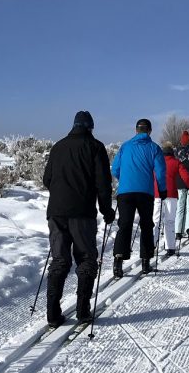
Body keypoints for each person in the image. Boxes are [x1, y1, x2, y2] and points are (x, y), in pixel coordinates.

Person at [42, 111, 115, 327]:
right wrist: (106, 209)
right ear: (90, 127)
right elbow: (103, 182)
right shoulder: (95, 147)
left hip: (56, 212)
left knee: (60, 260)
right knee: (86, 258)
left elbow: (47, 179)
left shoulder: (58, 147)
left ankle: (53, 314)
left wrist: (60, 192)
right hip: (82, 213)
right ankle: (83, 310)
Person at [111, 118, 166, 276]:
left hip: (125, 192)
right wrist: (162, 190)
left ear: (136, 130)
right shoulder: (154, 148)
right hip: (145, 193)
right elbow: (161, 173)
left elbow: (115, 169)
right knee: (146, 225)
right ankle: (145, 262)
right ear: (149, 131)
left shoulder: (125, 146)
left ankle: (118, 261)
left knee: (125, 224)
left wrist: (126, 180)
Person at [156, 143, 189, 257]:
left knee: (155, 221)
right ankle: (170, 247)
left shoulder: (156, 161)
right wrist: (188, 185)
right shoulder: (176, 162)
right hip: (171, 194)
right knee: (169, 221)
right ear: (172, 153)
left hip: (157, 194)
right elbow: (186, 177)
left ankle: (151, 246)